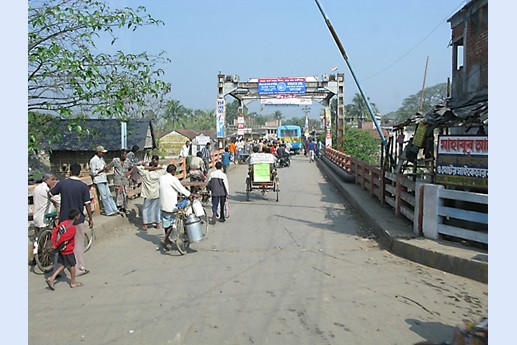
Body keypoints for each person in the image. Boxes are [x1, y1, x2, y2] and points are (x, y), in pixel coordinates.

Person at [49, 163, 94, 277]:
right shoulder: (83, 186)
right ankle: (79, 269)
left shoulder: (62, 184)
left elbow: (51, 193)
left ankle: (57, 270)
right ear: (79, 172)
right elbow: (87, 204)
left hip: (64, 219)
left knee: (61, 244)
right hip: (77, 219)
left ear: (69, 172)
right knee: (78, 244)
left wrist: (57, 204)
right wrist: (90, 219)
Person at [159, 164, 195, 250]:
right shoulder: (173, 179)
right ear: (173, 171)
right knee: (172, 223)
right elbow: (180, 188)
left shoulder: (162, 178)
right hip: (171, 205)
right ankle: (164, 239)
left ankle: (167, 239)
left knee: (166, 222)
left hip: (162, 204)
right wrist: (190, 194)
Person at [46, 208, 82, 290]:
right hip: (68, 250)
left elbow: (55, 231)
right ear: (76, 217)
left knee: (64, 264)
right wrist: (56, 245)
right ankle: (73, 282)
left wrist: (54, 243)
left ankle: (52, 278)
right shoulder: (72, 228)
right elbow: (64, 238)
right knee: (72, 265)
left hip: (61, 249)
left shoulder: (63, 223)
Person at [89, 145, 121, 217]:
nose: (103, 154)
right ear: (99, 152)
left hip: (104, 178)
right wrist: (102, 170)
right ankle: (109, 211)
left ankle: (114, 209)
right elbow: (93, 172)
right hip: (98, 179)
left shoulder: (101, 159)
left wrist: (105, 168)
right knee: (104, 196)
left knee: (109, 195)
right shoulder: (93, 160)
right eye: (102, 152)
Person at [137, 156, 165, 231]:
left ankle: (145, 224)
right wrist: (157, 167)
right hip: (156, 193)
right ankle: (157, 223)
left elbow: (139, 167)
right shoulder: (159, 173)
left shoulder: (145, 173)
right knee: (156, 208)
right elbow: (164, 167)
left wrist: (147, 167)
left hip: (148, 194)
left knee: (146, 208)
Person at [104, 149, 132, 215]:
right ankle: (120, 207)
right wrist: (105, 167)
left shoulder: (128, 161)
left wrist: (129, 173)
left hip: (125, 179)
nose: (125, 156)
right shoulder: (115, 160)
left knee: (126, 194)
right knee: (118, 194)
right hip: (117, 179)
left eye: (126, 155)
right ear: (121, 154)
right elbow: (109, 166)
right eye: (123, 154)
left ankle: (126, 207)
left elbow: (132, 167)